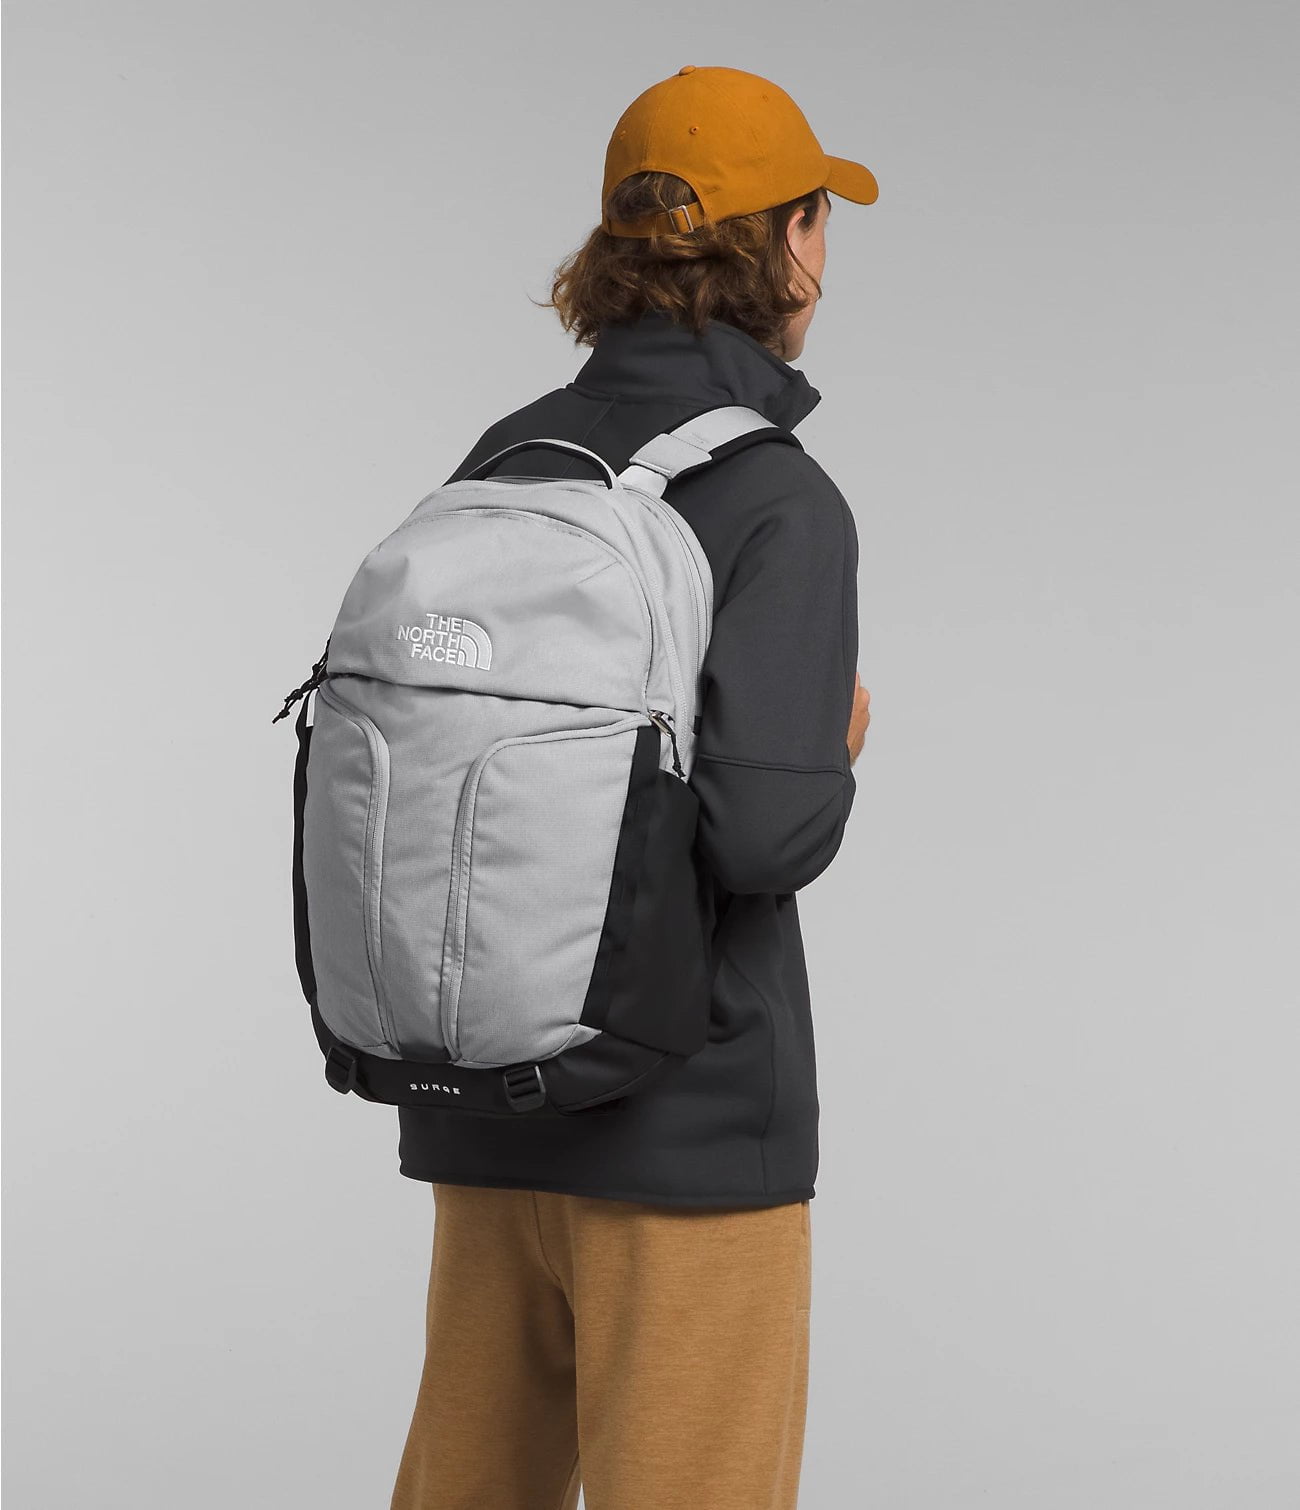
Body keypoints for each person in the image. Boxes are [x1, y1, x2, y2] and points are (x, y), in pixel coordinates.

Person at [390, 64, 875, 1510]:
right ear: (788, 242)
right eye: (820, 219)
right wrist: (835, 747)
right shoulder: (778, 496)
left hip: (487, 1105)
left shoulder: (510, 456)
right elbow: (764, 833)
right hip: (690, 1126)